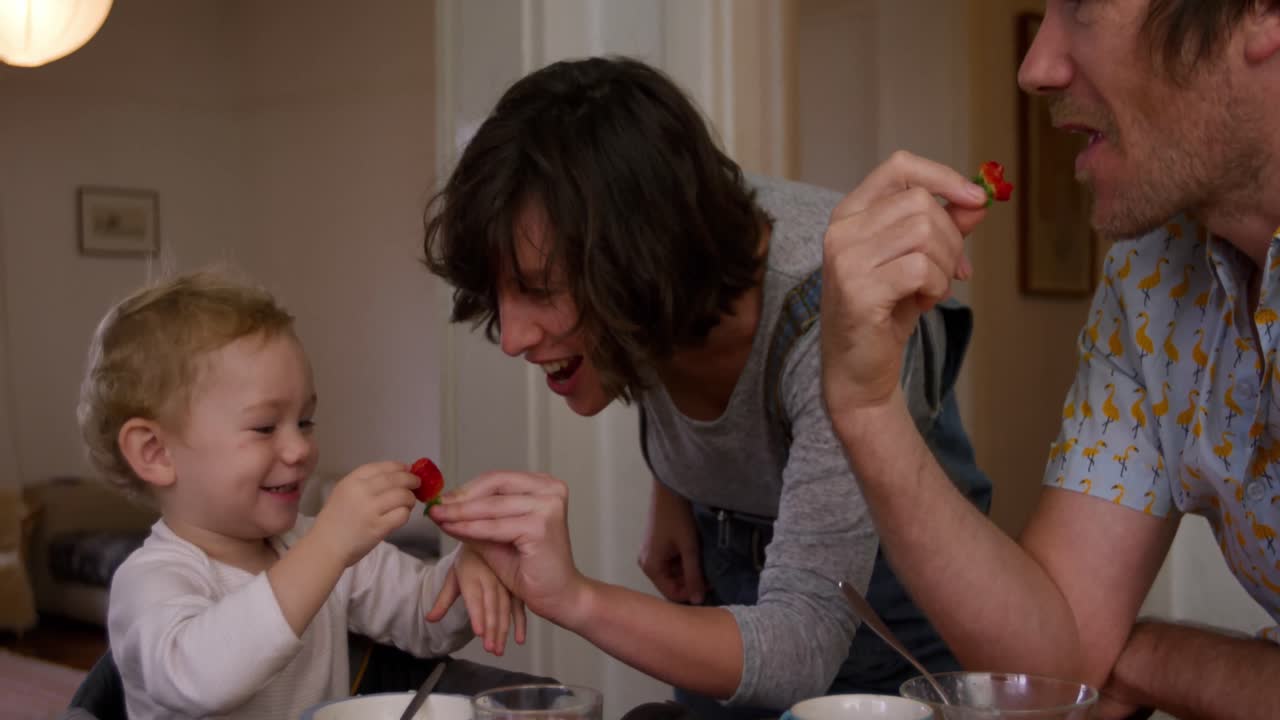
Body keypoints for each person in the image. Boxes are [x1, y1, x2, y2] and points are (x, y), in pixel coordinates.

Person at [422, 55, 992, 716]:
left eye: (540, 290)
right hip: (725, 588)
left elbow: (799, 649)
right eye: (500, 293)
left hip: (883, 617)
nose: (513, 337)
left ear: (643, 259)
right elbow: (645, 329)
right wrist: (677, 483)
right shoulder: (666, 238)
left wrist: (573, 596)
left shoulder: (828, 316)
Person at [817, 1, 1280, 718]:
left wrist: (1157, 659)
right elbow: (1056, 665)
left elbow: (1086, 667)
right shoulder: (1150, 275)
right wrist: (868, 406)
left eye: (1084, 5)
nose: (1035, 67)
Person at [76, 269, 524, 719]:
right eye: (264, 427)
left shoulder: (319, 546)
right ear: (155, 453)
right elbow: (200, 679)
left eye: (305, 422)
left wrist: (469, 569)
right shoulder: (149, 581)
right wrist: (328, 546)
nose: (300, 449)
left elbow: (425, 620)